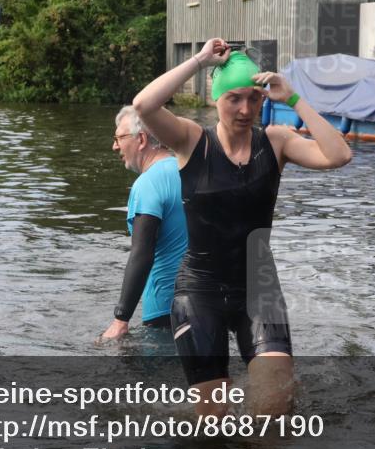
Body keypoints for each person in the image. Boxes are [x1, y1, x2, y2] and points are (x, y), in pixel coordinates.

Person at [132, 38, 351, 416]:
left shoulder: (276, 142)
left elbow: (339, 155)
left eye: (254, 98)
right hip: (200, 289)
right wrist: (199, 61)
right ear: (216, 99)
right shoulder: (190, 141)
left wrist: (294, 100)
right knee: (213, 419)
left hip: (258, 286)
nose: (245, 109)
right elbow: (144, 105)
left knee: (274, 413)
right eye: (234, 98)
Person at [99, 105, 188, 340]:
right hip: (209, 302)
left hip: (165, 311)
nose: (115, 146)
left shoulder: (147, 184)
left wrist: (121, 319)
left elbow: (142, 252)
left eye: (119, 138)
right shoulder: (189, 168)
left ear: (141, 139)